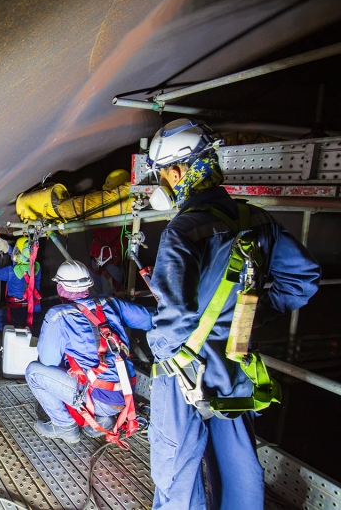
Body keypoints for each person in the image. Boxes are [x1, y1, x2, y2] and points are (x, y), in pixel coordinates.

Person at [145, 118, 321, 509]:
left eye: (163, 175)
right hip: (236, 363)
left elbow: (175, 318)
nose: (164, 183)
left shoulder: (183, 229)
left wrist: (161, 355)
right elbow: (303, 280)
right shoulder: (259, 220)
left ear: (178, 172)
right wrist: (252, 317)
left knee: (176, 469)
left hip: (185, 371)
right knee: (237, 462)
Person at [25, 259, 152, 443]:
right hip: (126, 393)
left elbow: (48, 361)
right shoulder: (110, 301)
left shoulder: (58, 315)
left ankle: (65, 426)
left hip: (98, 396)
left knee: (34, 372)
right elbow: (149, 320)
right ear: (88, 285)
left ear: (60, 287)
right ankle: (102, 420)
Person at [0, 236, 42, 331]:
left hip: (17, 313)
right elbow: (21, 260)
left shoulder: (11, 272)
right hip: (35, 310)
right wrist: (5, 247)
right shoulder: (37, 267)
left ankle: (16, 327)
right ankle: (24, 326)